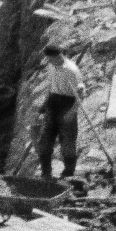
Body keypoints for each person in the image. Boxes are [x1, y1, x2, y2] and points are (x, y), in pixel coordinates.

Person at [34, 46, 82, 178]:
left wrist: (72, 112)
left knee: (67, 141)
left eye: (50, 58)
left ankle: (68, 173)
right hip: (52, 103)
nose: (48, 61)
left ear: (57, 56)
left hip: (67, 104)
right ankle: (46, 172)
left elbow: (80, 94)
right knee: (44, 140)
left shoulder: (71, 70)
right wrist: (43, 106)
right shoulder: (51, 66)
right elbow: (51, 88)